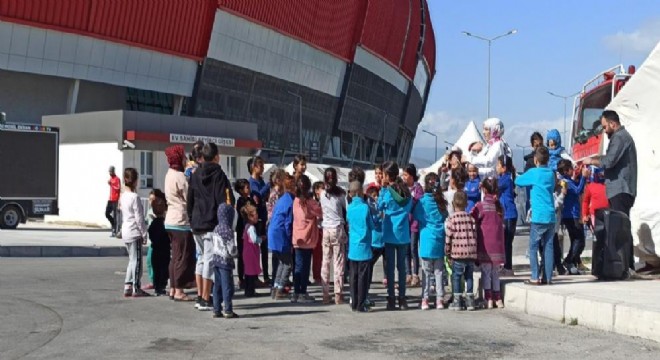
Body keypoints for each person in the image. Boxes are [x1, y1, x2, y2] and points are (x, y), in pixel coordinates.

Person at [583, 110, 637, 270]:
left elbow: (610, 160)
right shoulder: (619, 138)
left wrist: (592, 160)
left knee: (621, 228)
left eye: (605, 127)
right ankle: (623, 265)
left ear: (613, 124)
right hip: (617, 189)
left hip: (621, 189)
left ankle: (626, 265)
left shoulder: (620, 138)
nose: (604, 130)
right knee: (619, 227)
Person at [188, 143, 234, 311]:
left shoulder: (195, 173)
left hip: (197, 222)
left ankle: (200, 295)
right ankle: (206, 297)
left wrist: (191, 218)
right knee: (209, 260)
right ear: (216, 157)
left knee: (200, 259)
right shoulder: (219, 174)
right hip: (211, 223)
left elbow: (190, 198)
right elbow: (223, 200)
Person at [515, 146, 556, 285]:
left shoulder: (533, 172)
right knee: (548, 246)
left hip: (538, 215)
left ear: (535, 160)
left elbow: (518, 181)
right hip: (551, 214)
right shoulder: (551, 174)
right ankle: (548, 277)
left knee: (533, 247)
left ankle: (535, 276)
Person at [379, 161, 413, 311]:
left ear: (387, 175)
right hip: (403, 233)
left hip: (389, 232)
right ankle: (403, 299)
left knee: (390, 269)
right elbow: (409, 206)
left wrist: (381, 190)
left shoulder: (386, 192)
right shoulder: (405, 191)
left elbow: (380, 206)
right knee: (402, 268)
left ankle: (391, 298)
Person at [164, 145, 196, 302]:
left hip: (170, 220)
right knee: (182, 256)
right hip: (181, 221)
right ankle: (179, 290)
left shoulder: (169, 174)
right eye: (183, 156)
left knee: (175, 256)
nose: (185, 159)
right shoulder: (180, 177)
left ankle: (172, 287)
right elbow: (189, 197)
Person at [412, 172, 448, 310]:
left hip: (426, 240)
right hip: (439, 239)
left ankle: (425, 299)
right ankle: (439, 299)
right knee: (439, 271)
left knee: (426, 272)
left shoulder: (422, 201)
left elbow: (417, 216)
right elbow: (445, 216)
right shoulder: (441, 201)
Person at [472, 178, 505, 309]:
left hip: (485, 246)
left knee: (486, 272)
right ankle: (498, 298)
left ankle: (488, 299)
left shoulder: (480, 206)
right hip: (497, 246)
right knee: (495, 273)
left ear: (483, 190)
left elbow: (471, 217)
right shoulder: (499, 207)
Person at [445, 191, 478, 311]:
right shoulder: (471, 219)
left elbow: (448, 237)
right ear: (466, 203)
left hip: (457, 253)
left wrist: (447, 252)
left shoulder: (451, 219)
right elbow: (475, 235)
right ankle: (470, 301)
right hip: (470, 252)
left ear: (453, 203)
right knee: (469, 276)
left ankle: (457, 301)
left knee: (457, 277)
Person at [320, 168, 348, 305]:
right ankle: (338, 294)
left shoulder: (322, 194)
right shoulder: (341, 194)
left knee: (325, 262)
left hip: (326, 229)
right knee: (338, 262)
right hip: (337, 228)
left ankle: (325, 293)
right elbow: (346, 210)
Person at [292, 175, 322, 303]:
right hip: (308, 239)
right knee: (305, 267)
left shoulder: (296, 201)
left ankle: (296, 292)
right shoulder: (310, 202)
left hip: (297, 238)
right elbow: (320, 212)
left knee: (298, 266)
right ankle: (302, 292)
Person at [120, 168, 150, 298]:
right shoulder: (134, 197)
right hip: (134, 231)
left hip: (126, 230)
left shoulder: (123, 196)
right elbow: (139, 218)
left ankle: (128, 285)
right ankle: (136, 287)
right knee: (137, 261)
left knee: (131, 260)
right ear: (135, 181)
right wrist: (144, 233)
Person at [346, 181, 373, 313]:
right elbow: (371, 225)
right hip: (364, 246)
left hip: (353, 247)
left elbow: (348, 222)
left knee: (353, 276)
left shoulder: (349, 208)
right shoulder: (365, 207)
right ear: (360, 192)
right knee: (363, 277)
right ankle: (361, 304)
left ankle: (354, 302)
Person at [557, 159, 587, 275]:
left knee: (576, 240)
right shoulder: (566, 182)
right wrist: (583, 177)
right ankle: (569, 260)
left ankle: (572, 262)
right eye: (571, 169)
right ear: (566, 170)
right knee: (579, 240)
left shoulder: (569, 181)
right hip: (570, 215)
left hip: (572, 214)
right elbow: (578, 190)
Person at [268, 174, 296, 300]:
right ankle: (280, 289)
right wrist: (290, 239)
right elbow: (287, 223)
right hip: (281, 234)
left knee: (281, 262)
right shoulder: (290, 201)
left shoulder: (282, 198)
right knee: (288, 264)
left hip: (273, 232)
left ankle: (275, 287)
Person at [210, 200, 239, 319]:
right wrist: (236, 253)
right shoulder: (228, 231)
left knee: (217, 285)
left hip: (216, 260)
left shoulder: (216, 228)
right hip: (225, 262)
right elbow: (232, 249)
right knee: (227, 286)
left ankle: (216, 309)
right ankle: (228, 309)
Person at [247, 156, 271, 286]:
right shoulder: (252, 182)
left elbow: (264, 197)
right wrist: (267, 186)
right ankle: (255, 275)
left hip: (263, 215)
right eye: (260, 166)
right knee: (255, 247)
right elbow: (257, 195)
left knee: (265, 248)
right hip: (256, 218)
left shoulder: (261, 180)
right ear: (254, 167)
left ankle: (266, 275)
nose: (262, 169)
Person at [496, 155, 518, 275]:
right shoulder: (504, 178)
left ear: (504, 167)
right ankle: (505, 265)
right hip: (506, 214)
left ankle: (508, 267)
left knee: (507, 242)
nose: (496, 167)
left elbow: (494, 186)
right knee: (505, 241)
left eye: (498, 165)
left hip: (509, 214)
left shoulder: (505, 179)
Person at [402, 164, 423, 287]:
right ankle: (408, 273)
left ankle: (415, 273)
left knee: (413, 248)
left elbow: (418, 201)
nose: (404, 177)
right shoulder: (403, 188)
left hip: (414, 222)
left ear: (412, 176)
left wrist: (411, 199)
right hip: (404, 222)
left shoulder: (418, 188)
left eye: (406, 175)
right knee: (406, 250)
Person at [365, 183, 384, 306]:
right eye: (373, 196)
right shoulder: (370, 207)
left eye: (377, 195)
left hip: (382, 240)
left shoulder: (379, 206)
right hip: (373, 241)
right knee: (368, 269)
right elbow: (374, 221)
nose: (375, 198)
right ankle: (365, 293)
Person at [235, 178, 256, 289]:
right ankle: (241, 278)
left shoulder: (250, 199)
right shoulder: (240, 201)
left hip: (249, 229)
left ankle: (251, 276)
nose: (249, 189)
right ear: (241, 190)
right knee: (242, 255)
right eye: (247, 187)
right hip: (242, 229)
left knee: (250, 255)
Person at [148, 191, 169, 296]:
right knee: (163, 269)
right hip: (163, 250)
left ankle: (157, 287)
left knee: (156, 268)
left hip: (156, 249)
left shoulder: (154, 223)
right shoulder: (165, 223)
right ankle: (161, 286)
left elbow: (151, 235)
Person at [240, 203, 262, 298]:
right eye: (255, 214)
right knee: (251, 273)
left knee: (248, 272)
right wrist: (261, 239)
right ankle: (250, 290)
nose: (257, 216)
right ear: (250, 216)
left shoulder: (246, 226)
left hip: (247, 252)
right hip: (251, 253)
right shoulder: (251, 228)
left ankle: (248, 290)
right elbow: (254, 239)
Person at [524, 132, 544, 213]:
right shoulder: (529, 162)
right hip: (533, 197)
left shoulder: (546, 160)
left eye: (540, 145)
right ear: (532, 145)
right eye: (536, 146)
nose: (539, 148)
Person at [311, 181, 325, 285]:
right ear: (316, 190)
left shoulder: (326, 201)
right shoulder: (313, 202)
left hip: (324, 229)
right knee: (317, 255)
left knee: (323, 255)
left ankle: (322, 274)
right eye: (321, 189)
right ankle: (316, 276)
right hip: (316, 229)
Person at [106, 166, 121, 237]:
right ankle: (113, 224)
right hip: (110, 199)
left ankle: (114, 230)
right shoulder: (111, 179)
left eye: (111, 171)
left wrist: (111, 184)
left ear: (113, 171)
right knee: (107, 213)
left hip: (115, 199)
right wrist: (110, 183)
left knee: (115, 215)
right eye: (109, 172)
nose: (110, 173)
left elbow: (118, 188)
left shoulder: (117, 179)